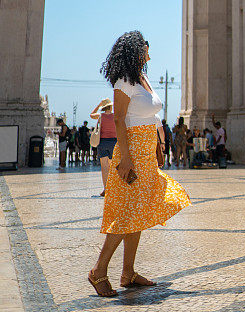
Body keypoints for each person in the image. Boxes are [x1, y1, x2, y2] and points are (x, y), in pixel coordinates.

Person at [88, 30, 190, 297]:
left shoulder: (142, 78)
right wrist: (127, 159)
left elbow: (152, 117)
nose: (150, 52)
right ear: (136, 49)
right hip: (131, 152)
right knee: (127, 214)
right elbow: (120, 119)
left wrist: (158, 146)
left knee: (140, 211)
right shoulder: (123, 80)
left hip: (146, 153)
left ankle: (128, 273)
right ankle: (98, 271)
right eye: (147, 47)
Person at [91, 98, 117, 196]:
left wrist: (99, 105)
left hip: (102, 142)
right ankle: (113, 188)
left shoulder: (100, 116)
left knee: (104, 167)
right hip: (114, 142)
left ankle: (106, 189)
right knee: (112, 166)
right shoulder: (115, 116)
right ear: (111, 106)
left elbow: (91, 114)